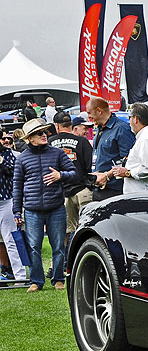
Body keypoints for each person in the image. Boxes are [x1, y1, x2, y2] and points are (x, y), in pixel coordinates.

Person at [12, 118, 77, 291]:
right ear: (30, 139)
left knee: (59, 246)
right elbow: (17, 186)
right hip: (32, 210)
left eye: (45, 131)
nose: (44, 135)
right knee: (34, 247)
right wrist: (17, 211)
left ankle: (58, 279)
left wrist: (60, 176)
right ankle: (36, 281)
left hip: (56, 208)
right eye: (39, 133)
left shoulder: (58, 153)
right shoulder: (22, 159)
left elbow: (74, 173)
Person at [48, 112, 93, 242]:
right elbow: (89, 166)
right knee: (88, 227)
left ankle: (68, 254)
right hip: (82, 190)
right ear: (71, 125)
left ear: (57, 126)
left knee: (66, 231)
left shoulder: (50, 142)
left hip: (61, 192)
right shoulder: (82, 141)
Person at [107, 104, 148, 194]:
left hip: (146, 194)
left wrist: (127, 172)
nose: (129, 122)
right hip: (147, 193)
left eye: (130, 118)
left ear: (135, 119)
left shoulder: (147, 138)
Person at [87, 97, 136, 201]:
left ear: (99, 111)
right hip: (99, 187)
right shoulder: (100, 128)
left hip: (114, 190)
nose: (89, 117)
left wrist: (107, 175)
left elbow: (129, 160)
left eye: (89, 113)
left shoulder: (121, 129)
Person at [0, 129, 26, 281]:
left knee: (11, 239)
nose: (5, 140)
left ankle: (20, 276)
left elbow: (14, 172)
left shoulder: (7, 154)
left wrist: (1, 161)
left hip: (6, 200)